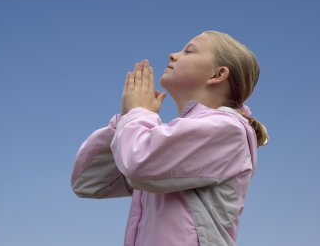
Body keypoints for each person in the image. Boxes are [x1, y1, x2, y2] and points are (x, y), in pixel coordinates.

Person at [71, 30, 269, 246]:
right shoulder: (166, 140)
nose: (172, 55)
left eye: (189, 51)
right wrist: (126, 121)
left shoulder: (227, 129)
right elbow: (88, 182)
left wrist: (138, 114)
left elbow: (137, 164)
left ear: (217, 74)